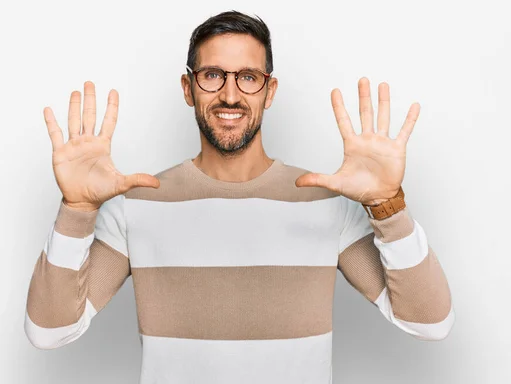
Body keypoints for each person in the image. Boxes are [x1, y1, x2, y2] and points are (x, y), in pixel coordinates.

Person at [24, 10, 454, 384]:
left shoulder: (326, 203)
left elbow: (430, 322)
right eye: (212, 75)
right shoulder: (137, 206)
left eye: (248, 77)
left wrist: (388, 206)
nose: (230, 95)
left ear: (269, 91)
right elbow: (49, 331)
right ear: (188, 87)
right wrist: (77, 211)